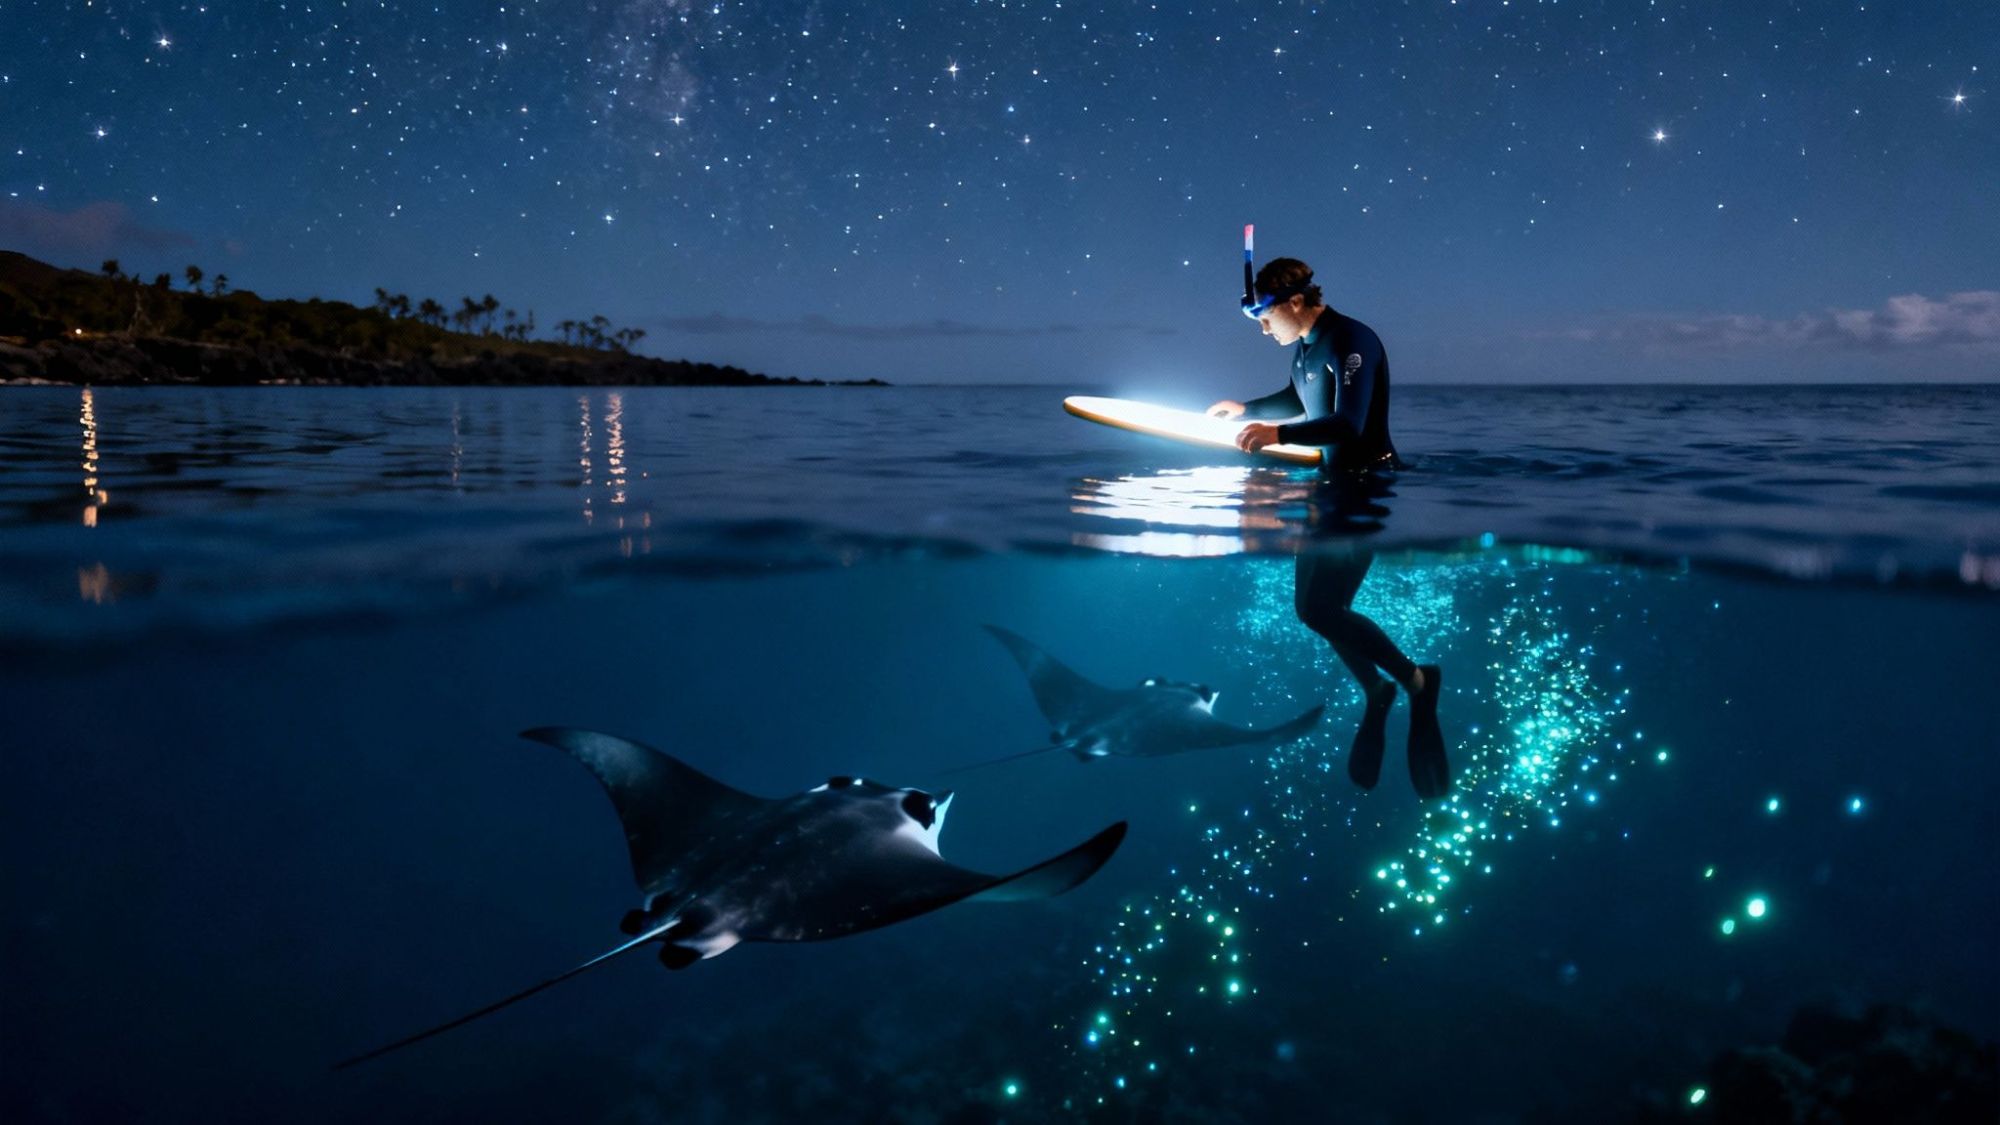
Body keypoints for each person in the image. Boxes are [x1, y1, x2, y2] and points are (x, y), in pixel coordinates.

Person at [1208, 256, 1449, 799]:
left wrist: (1276, 435)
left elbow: (1349, 422)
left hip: (1366, 488)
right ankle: (1377, 690)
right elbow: (1299, 399)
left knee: (1323, 609)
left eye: (1265, 317)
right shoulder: (1306, 348)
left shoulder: (1352, 339)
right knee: (1309, 610)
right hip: (1328, 486)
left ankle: (1416, 683)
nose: (1263, 328)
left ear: (1294, 302)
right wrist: (1246, 408)